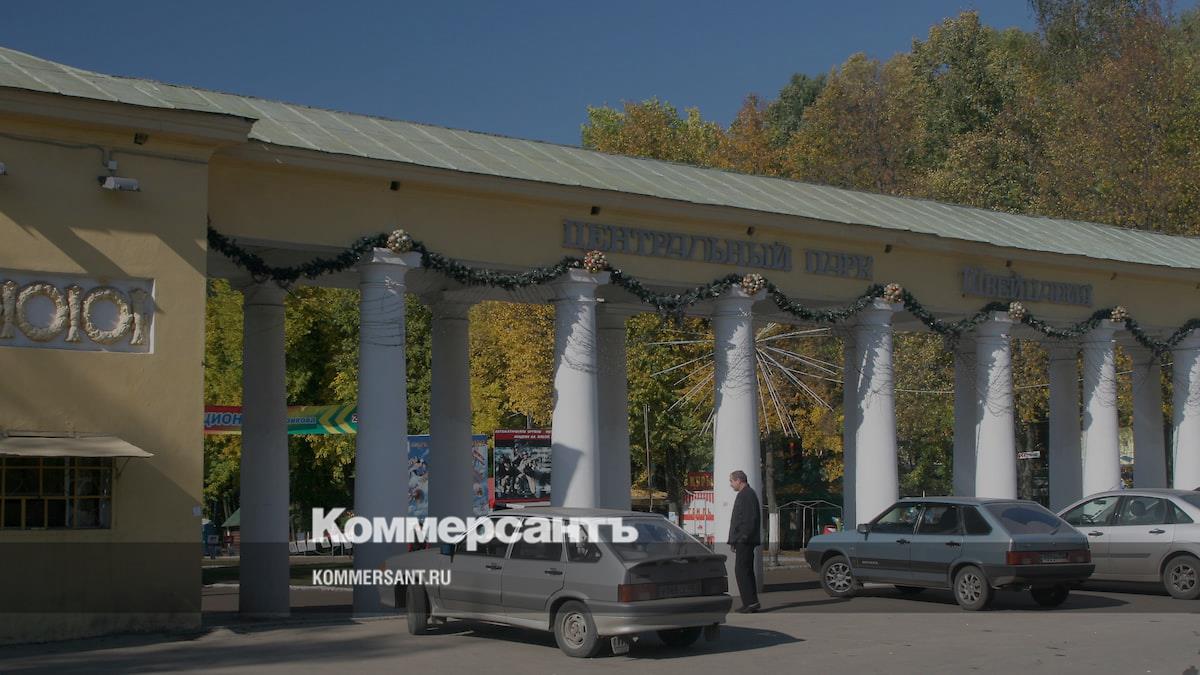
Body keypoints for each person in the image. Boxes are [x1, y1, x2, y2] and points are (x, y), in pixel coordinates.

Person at [727, 470, 761, 613]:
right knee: (745, 570)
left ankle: (750, 602)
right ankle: (751, 602)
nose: (730, 484)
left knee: (742, 571)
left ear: (739, 480)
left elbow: (749, 519)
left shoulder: (746, 495)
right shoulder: (746, 494)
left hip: (745, 540)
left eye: (731, 481)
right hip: (744, 539)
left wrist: (742, 538)